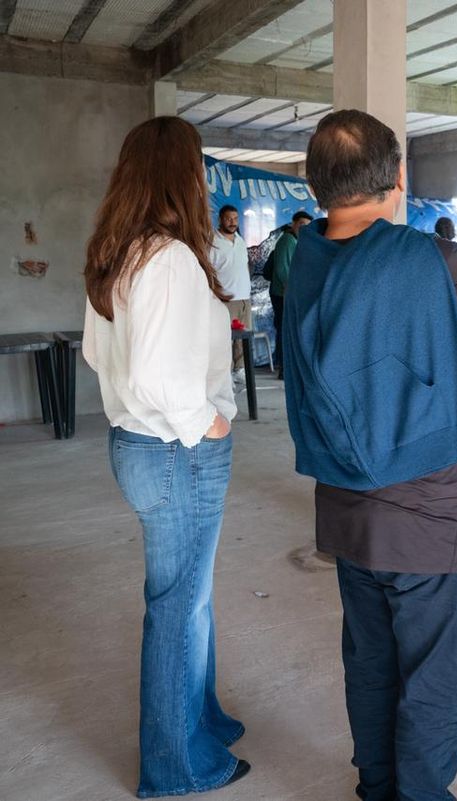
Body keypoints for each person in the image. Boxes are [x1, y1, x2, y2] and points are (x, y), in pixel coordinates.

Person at [281, 109, 457, 801]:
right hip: (435, 515)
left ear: (314, 185)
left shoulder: (304, 257)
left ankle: (377, 785)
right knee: (443, 675)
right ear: (397, 178)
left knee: (372, 659)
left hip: (347, 507)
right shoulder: (432, 260)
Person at [82, 116, 249, 797]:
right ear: (183, 173)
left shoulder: (116, 252)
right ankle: (176, 765)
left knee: (189, 600)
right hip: (175, 450)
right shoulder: (171, 259)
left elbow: (99, 353)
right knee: (179, 607)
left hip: (137, 444)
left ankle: (200, 720)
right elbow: (157, 377)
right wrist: (205, 421)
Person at [265, 210, 313, 376]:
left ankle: (284, 367)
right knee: (285, 330)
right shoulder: (288, 240)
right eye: (301, 224)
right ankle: (284, 369)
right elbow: (282, 270)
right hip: (283, 294)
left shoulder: (297, 241)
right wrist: (291, 289)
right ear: (293, 224)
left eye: (307, 226)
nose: (304, 228)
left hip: (288, 293)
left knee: (285, 329)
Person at [210, 204, 251, 390]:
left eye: (235, 219)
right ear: (220, 219)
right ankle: (224, 374)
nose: (232, 222)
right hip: (225, 299)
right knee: (224, 339)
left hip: (244, 298)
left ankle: (239, 370)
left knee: (242, 339)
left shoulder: (240, 241)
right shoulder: (212, 241)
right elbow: (207, 270)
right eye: (228, 219)